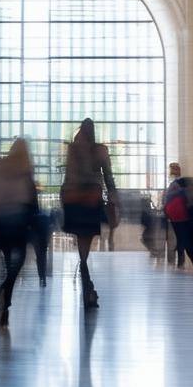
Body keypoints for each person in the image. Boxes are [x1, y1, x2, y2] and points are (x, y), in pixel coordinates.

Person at [61, 118, 118, 310]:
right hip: (91, 199)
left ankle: (85, 276)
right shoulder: (100, 150)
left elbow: (68, 175)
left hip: (74, 199)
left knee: (80, 238)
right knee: (86, 238)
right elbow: (108, 176)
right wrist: (113, 197)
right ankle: (86, 279)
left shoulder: (72, 149)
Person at [0, 139, 40, 329]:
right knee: (19, 260)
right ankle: (5, 299)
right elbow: (32, 201)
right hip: (17, 220)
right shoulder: (25, 170)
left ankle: (2, 295)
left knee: (8, 262)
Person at [163, 162, 193, 268]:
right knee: (181, 237)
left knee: (180, 237)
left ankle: (180, 260)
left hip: (175, 214)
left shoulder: (174, 184)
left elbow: (167, 198)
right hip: (180, 214)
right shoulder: (179, 183)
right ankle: (181, 260)